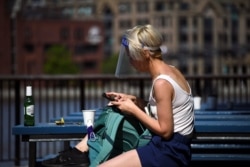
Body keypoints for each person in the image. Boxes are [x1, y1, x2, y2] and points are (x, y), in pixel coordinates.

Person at [42, 24, 194, 167]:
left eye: (132, 56)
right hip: (170, 146)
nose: (131, 62)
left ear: (145, 54)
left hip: (169, 151)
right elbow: (166, 108)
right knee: (115, 114)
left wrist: (133, 109)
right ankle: (81, 151)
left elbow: (166, 131)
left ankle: (80, 152)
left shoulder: (161, 83)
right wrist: (135, 101)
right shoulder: (171, 71)